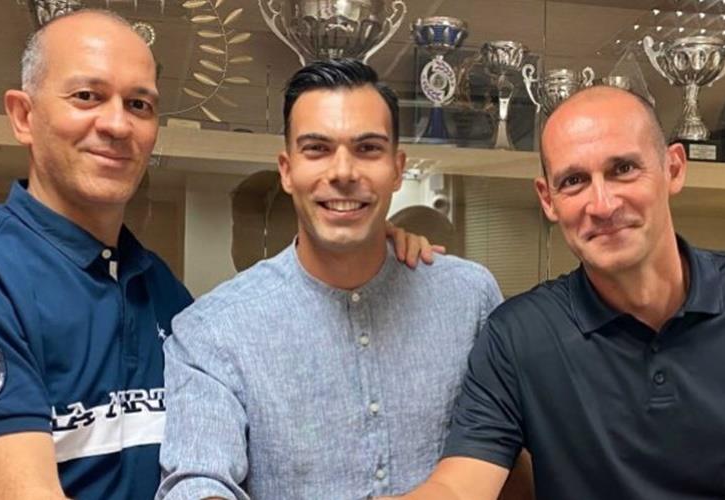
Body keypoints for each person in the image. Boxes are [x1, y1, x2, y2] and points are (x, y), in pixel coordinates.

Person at [0, 11, 434, 500]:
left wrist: (366, 243)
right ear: (22, 116)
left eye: (139, 104)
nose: (116, 124)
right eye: (87, 96)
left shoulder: (161, 292)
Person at [388, 87, 725, 500]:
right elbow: (459, 486)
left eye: (623, 169)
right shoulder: (517, 336)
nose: (602, 204)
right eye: (574, 181)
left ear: (674, 168)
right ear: (548, 199)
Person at [156, 59, 505, 500]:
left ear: (397, 169)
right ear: (287, 170)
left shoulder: (469, 299)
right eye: (317, 149)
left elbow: (510, 448)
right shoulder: (213, 330)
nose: (343, 172)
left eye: (368, 148)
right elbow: (196, 481)